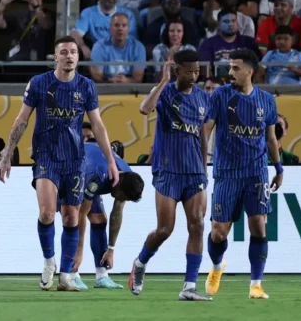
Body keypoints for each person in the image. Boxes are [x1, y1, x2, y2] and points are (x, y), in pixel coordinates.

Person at [0, 36, 120, 292]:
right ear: (56, 57)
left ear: (78, 57)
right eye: (64, 52)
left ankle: (66, 275)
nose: (69, 56)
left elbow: (98, 125)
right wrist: (7, 154)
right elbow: (22, 119)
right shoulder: (39, 83)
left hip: (74, 161)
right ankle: (48, 261)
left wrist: (111, 160)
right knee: (47, 213)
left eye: (73, 52)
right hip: (46, 157)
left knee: (71, 217)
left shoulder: (86, 86)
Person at [129, 49, 212, 301]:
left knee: (197, 224)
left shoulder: (203, 98)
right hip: (168, 170)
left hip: (194, 171)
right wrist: (163, 81)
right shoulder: (165, 93)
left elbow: (202, 135)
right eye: (189, 72)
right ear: (177, 71)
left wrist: (204, 168)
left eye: (197, 71)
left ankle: (189, 286)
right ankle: (140, 263)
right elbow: (144, 109)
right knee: (165, 229)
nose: (194, 76)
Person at [202, 48, 283, 300]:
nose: (230, 72)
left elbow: (270, 138)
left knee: (259, 226)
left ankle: (256, 284)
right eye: (230, 67)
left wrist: (278, 168)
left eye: (235, 68)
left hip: (256, 172)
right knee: (218, 231)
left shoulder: (266, 101)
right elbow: (206, 130)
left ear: (250, 71)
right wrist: (201, 162)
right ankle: (217, 267)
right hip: (226, 172)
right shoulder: (220, 96)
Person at [71, 140, 145, 290]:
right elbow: (80, 215)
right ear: (118, 184)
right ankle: (72, 275)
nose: (121, 200)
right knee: (71, 217)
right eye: (122, 196)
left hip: (91, 173)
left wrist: (111, 248)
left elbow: (117, 213)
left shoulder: (127, 175)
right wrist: (79, 251)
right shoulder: (97, 176)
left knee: (99, 220)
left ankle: (102, 276)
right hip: (73, 172)